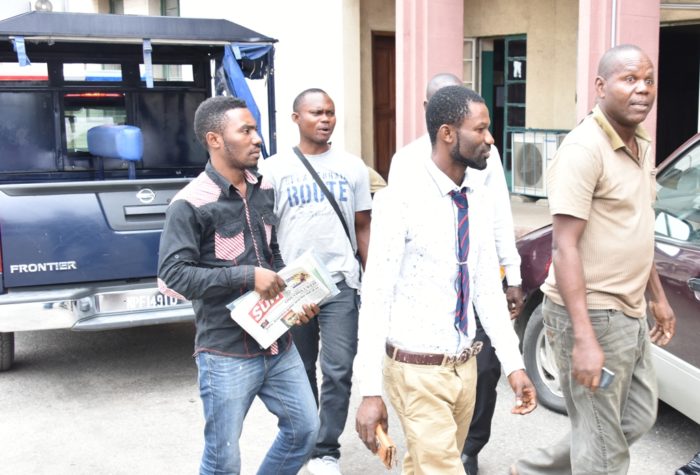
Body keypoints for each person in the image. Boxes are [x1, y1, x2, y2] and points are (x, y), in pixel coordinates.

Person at [512, 44, 676, 475]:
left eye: (648, 80)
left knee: (634, 418)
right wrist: (583, 338)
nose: (642, 89)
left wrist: (657, 297)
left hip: (629, 312)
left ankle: (529, 472)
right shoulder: (584, 149)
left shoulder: (640, 143)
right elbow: (564, 247)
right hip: (591, 315)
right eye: (629, 80)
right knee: (604, 452)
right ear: (601, 87)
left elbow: (634, 229)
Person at [355, 85, 537, 474]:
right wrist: (370, 391)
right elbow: (376, 297)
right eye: (481, 130)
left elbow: (487, 288)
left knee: (425, 466)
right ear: (447, 134)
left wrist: (514, 365)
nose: (490, 139)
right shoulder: (399, 199)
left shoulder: (477, 198)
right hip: (416, 370)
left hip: (463, 368)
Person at [157, 96, 320, 475]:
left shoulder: (262, 189)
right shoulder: (190, 204)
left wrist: (294, 296)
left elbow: (272, 253)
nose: (257, 138)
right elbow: (174, 275)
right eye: (245, 130)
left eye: (255, 129)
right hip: (226, 352)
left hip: (277, 341)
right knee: (223, 459)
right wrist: (246, 276)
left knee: (305, 431)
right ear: (215, 139)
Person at [258, 88, 372, 475]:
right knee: (300, 369)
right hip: (294, 285)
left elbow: (362, 226)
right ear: (296, 119)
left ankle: (326, 451)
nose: (325, 119)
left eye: (330, 112)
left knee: (338, 369)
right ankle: (303, 442)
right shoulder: (273, 170)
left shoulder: (353, 167)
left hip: (341, 282)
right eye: (316, 113)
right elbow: (264, 231)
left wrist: (369, 280)